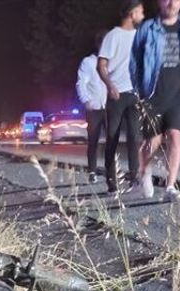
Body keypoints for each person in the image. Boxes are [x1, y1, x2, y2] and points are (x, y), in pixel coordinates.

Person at [132, 0, 180, 202]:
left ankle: (170, 186)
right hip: (153, 93)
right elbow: (135, 61)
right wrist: (139, 90)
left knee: (175, 135)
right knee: (152, 141)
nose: (171, 3)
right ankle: (144, 171)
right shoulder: (147, 29)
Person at [97, 0, 145, 195]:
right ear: (132, 14)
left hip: (134, 94)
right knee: (112, 137)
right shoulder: (113, 36)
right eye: (140, 12)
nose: (143, 16)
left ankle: (134, 178)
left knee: (135, 137)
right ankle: (112, 182)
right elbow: (101, 65)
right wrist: (110, 85)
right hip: (116, 95)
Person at [77, 31, 109, 183]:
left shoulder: (112, 62)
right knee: (93, 141)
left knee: (112, 141)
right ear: (98, 45)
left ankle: (111, 171)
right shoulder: (88, 62)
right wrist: (86, 100)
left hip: (109, 108)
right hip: (94, 108)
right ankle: (92, 171)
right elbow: (81, 83)